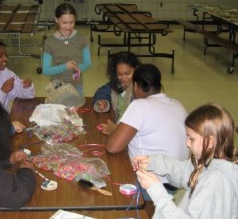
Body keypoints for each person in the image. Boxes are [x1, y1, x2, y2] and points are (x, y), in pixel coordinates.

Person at [133, 103, 238, 219]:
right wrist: (153, 162)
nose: (187, 143)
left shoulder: (216, 180)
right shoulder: (208, 160)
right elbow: (184, 171)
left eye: (191, 139)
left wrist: (156, 190)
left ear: (211, 142)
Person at [106, 64, 189, 199]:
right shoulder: (177, 103)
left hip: (152, 183)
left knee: (109, 174)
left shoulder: (140, 105)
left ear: (137, 86)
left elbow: (113, 147)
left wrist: (113, 132)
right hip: (176, 178)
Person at [42, 2, 92, 95]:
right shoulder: (50, 42)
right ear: (57, 20)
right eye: (64, 23)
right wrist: (65, 67)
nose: (69, 26)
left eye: (72, 22)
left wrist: (78, 68)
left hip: (77, 86)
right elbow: (46, 70)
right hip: (57, 86)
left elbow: (88, 63)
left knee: (76, 109)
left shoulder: (82, 38)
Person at [93, 51, 141, 134]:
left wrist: (116, 129)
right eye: (119, 74)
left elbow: (138, 123)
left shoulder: (141, 90)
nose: (123, 78)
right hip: (118, 127)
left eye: (127, 73)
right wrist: (103, 100)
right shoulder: (118, 84)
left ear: (136, 69)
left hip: (130, 133)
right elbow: (103, 91)